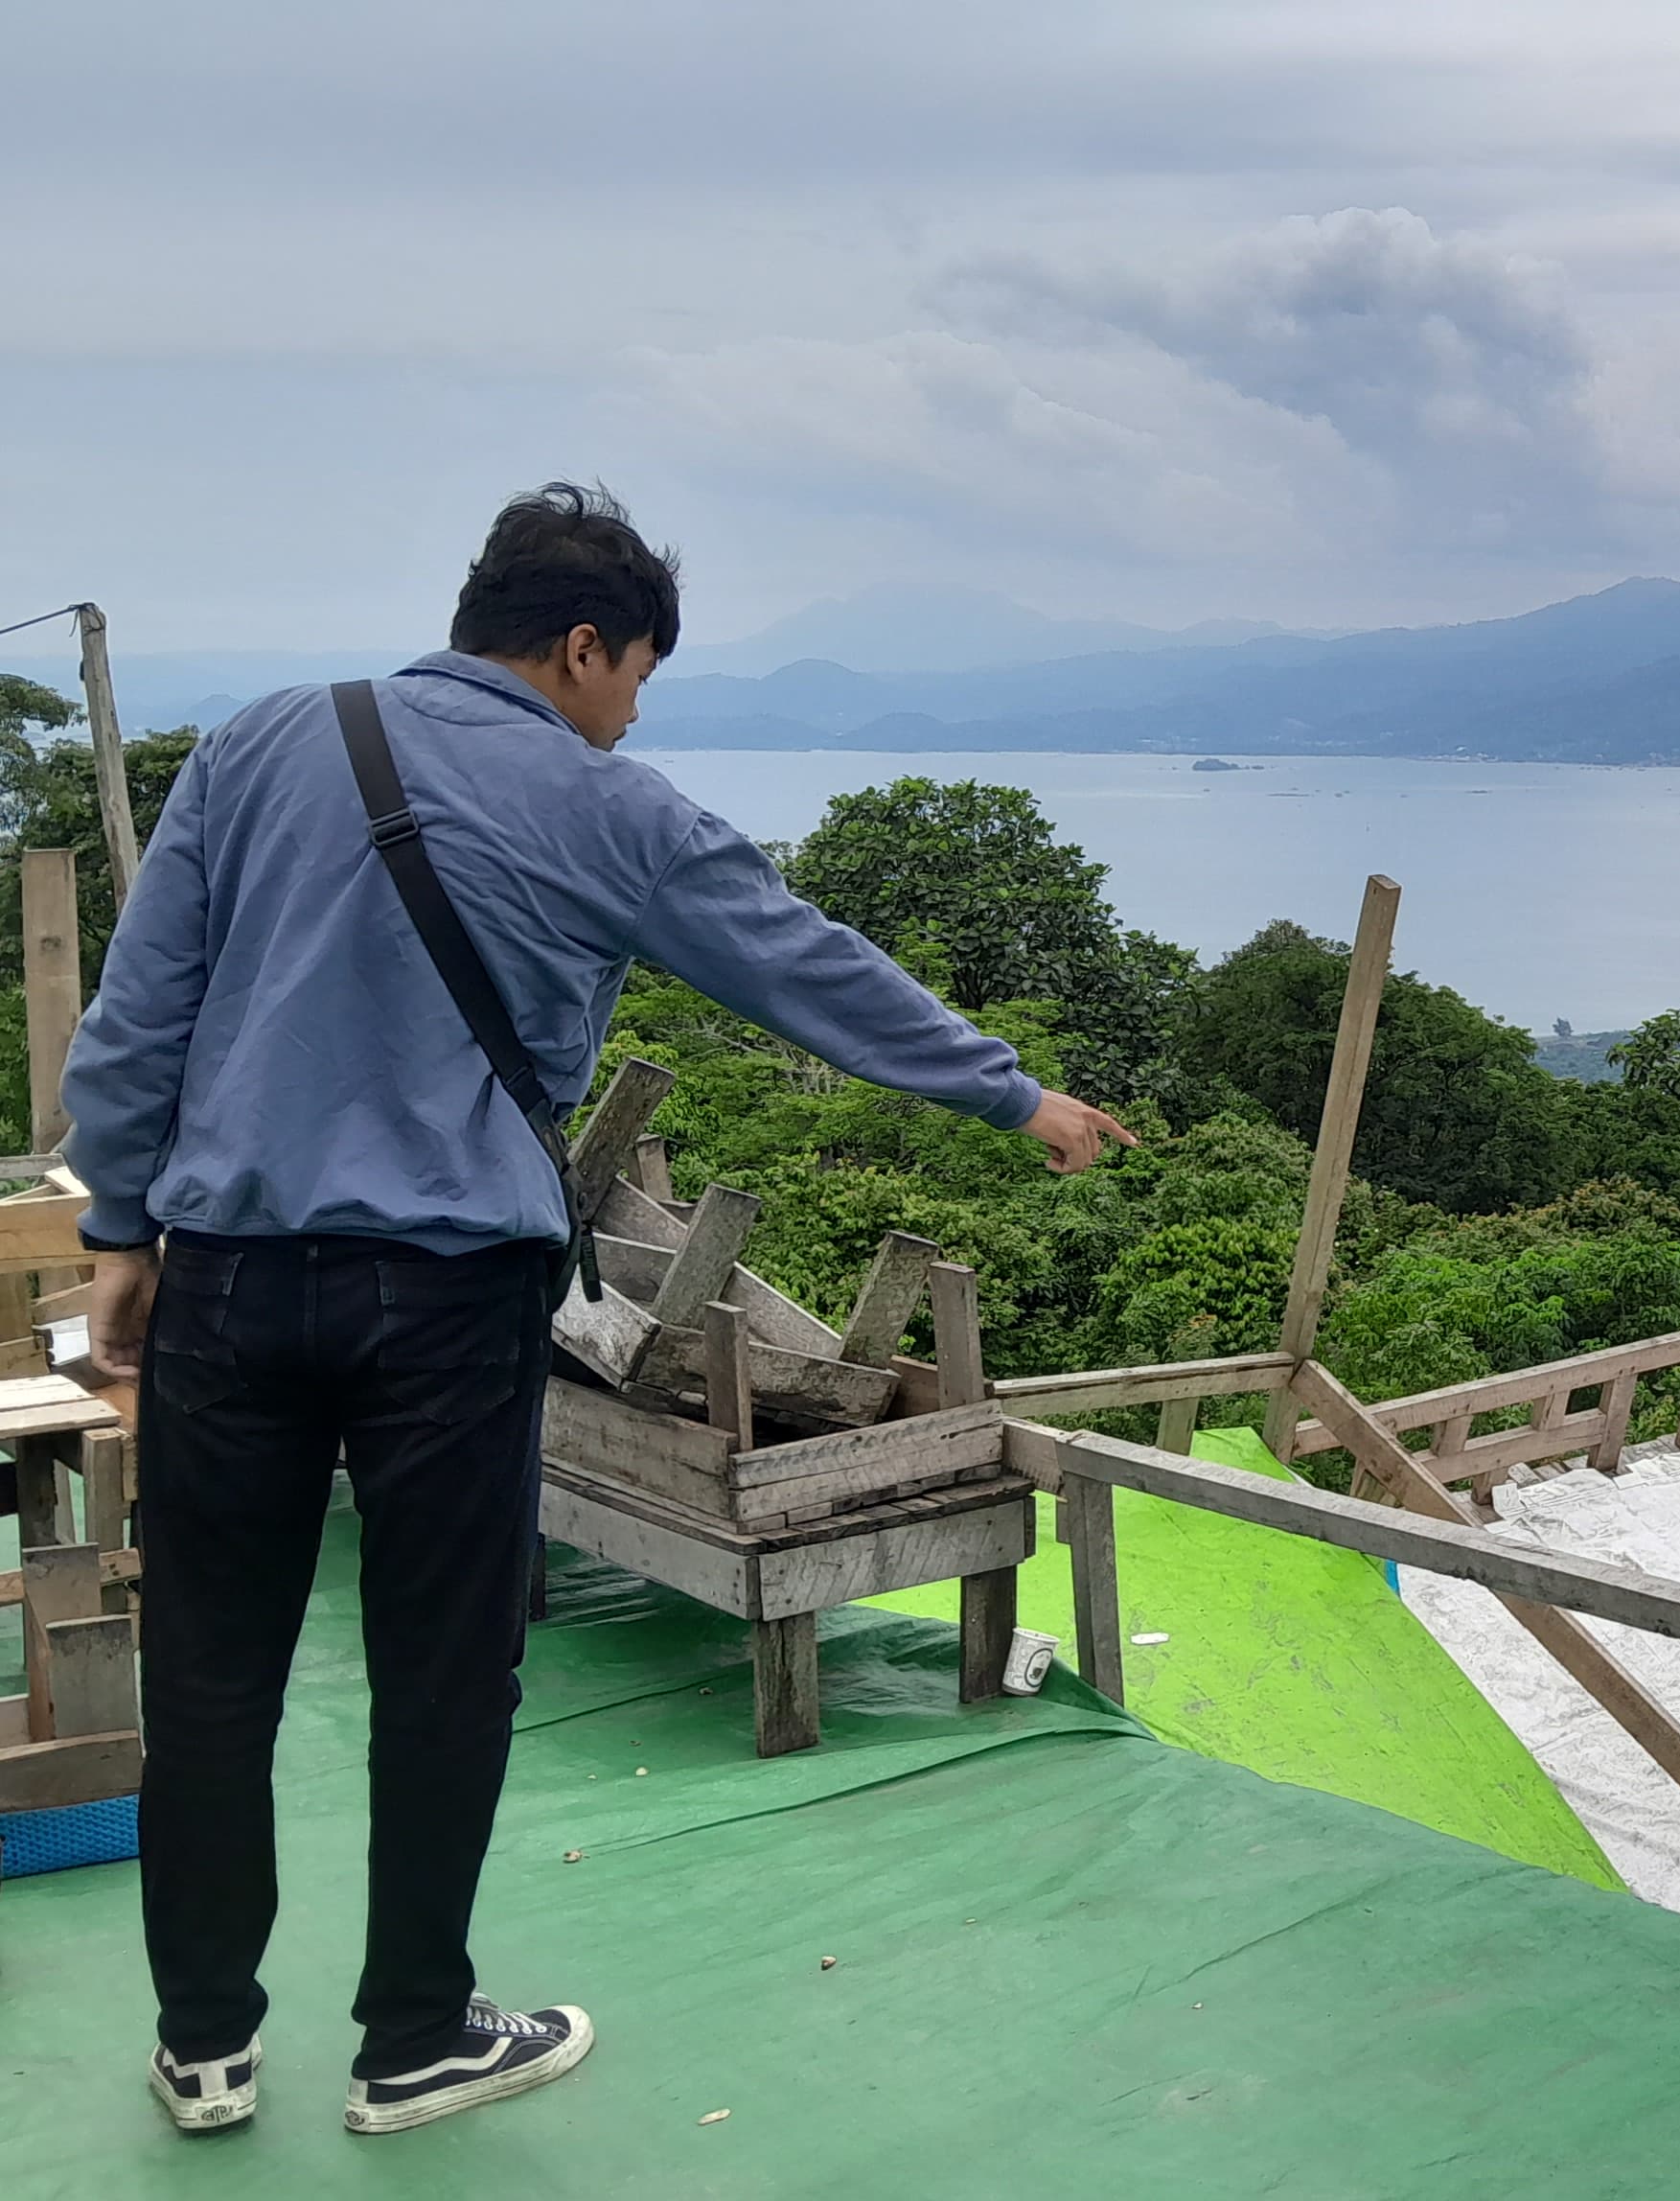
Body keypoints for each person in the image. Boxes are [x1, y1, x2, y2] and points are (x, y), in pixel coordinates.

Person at [66, 483, 1134, 2138]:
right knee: (443, 1667)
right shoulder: (607, 807)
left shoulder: (262, 743)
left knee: (210, 1669)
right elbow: (805, 963)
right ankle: (412, 2039)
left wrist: (124, 1227)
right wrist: (1017, 1098)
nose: (633, 708)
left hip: (231, 1277)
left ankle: (204, 2045)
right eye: (636, 672)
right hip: (449, 1301)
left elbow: (143, 1015)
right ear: (579, 646)